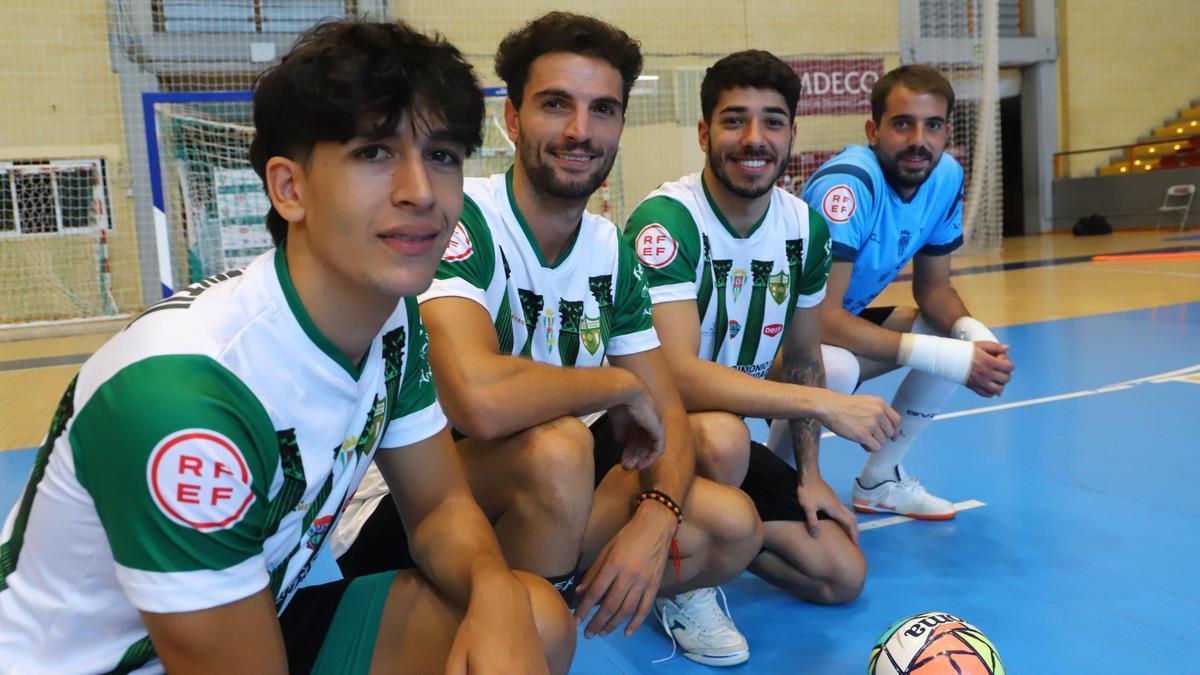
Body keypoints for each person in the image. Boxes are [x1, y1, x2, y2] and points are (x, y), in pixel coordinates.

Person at [0, 20, 573, 675]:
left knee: (532, 618)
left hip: (253, 612)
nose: (420, 190)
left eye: (441, 154)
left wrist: (493, 587)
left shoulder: (395, 322)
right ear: (288, 188)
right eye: (374, 152)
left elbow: (442, 506)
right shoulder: (182, 399)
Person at [333, 12, 763, 668]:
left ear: (620, 125)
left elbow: (668, 409)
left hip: (539, 505)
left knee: (731, 525)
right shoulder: (464, 217)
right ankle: (530, 629)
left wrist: (655, 518)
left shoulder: (607, 250)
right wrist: (618, 384)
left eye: (603, 110)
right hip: (412, 508)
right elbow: (479, 399)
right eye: (556, 105)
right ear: (512, 119)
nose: (579, 131)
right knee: (558, 448)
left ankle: (542, 609)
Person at [623, 50, 900, 607]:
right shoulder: (668, 222)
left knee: (840, 577)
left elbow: (803, 356)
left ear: (791, 133)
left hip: (719, 448)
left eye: (772, 121)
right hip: (640, 437)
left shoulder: (804, 228)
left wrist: (810, 473)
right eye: (734, 120)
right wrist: (822, 405)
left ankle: (717, 541)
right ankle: (684, 589)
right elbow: (675, 377)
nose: (754, 138)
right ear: (704, 132)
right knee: (724, 435)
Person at [786, 64, 1015, 520]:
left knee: (951, 334)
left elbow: (935, 289)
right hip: (762, 340)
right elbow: (823, 320)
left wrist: (973, 335)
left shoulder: (946, 175)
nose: (918, 140)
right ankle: (783, 482)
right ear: (873, 130)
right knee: (834, 366)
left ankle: (880, 480)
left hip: (820, 330)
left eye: (932, 126)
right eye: (902, 124)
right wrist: (946, 359)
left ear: (947, 131)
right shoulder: (848, 186)